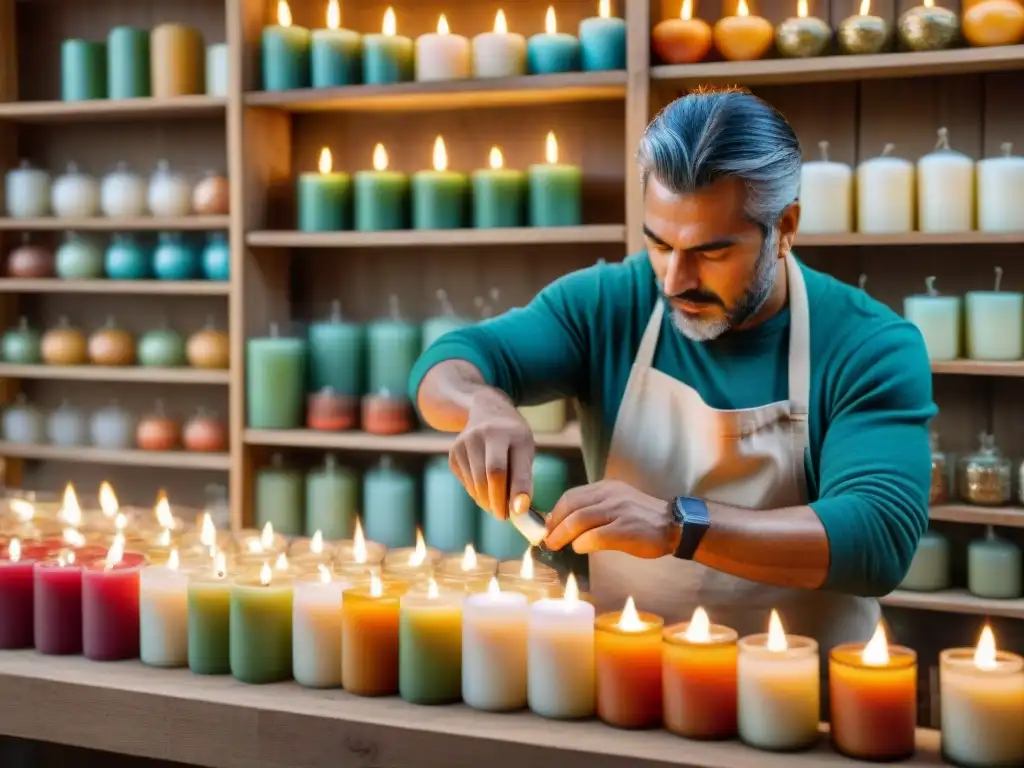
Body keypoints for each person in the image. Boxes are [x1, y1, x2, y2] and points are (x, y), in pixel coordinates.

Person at [409, 88, 936, 650]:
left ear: (784, 228)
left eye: (709, 252)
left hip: (811, 704)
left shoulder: (868, 343)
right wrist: (484, 406)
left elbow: (878, 539)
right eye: (658, 243)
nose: (674, 281)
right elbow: (448, 362)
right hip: (630, 688)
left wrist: (675, 525)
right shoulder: (608, 304)